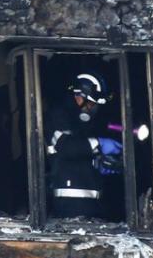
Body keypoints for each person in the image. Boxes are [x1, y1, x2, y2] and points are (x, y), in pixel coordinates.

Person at [45, 71, 123, 218]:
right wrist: (99, 143)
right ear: (79, 97)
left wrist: (103, 163)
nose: (94, 109)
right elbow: (66, 147)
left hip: (94, 206)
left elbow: (84, 155)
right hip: (68, 207)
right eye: (92, 103)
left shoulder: (86, 125)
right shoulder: (58, 117)